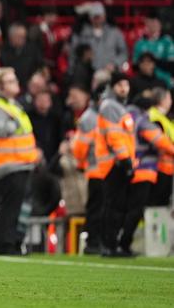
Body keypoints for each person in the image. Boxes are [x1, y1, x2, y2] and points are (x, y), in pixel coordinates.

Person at [0, 67, 39, 255]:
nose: (16, 84)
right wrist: (13, 123)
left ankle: (12, 243)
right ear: (0, 86)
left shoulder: (10, 104)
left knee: (15, 207)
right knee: (9, 208)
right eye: (10, 81)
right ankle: (5, 245)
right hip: (8, 164)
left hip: (19, 163)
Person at [119, 93, 174, 256]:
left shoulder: (126, 118)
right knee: (137, 210)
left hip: (128, 169)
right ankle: (125, 243)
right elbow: (160, 141)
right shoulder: (142, 120)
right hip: (144, 170)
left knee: (128, 208)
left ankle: (121, 242)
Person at [95, 72, 134, 257]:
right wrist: (125, 159)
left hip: (119, 161)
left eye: (126, 84)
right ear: (113, 87)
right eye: (120, 85)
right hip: (113, 163)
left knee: (117, 206)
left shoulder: (119, 107)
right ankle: (108, 244)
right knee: (112, 206)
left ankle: (111, 244)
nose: (124, 88)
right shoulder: (110, 106)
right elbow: (114, 136)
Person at [70, 85, 103, 254]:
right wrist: (82, 164)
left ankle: (100, 241)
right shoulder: (89, 118)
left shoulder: (101, 115)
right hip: (96, 168)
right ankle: (92, 242)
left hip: (105, 169)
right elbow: (79, 148)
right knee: (96, 207)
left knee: (103, 207)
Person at [69, 3, 127, 72]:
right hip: (88, 71)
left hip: (110, 71)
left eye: (99, 16)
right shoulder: (81, 33)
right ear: (90, 18)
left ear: (104, 16)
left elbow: (124, 52)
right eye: (95, 17)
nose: (97, 19)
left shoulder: (115, 32)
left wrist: (115, 64)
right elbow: (73, 53)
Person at [149, 88, 174, 206]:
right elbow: (160, 142)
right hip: (158, 167)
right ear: (162, 100)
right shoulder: (155, 117)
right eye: (169, 98)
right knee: (156, 204)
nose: (171, 101)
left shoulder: (164, 118)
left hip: (166, 168)